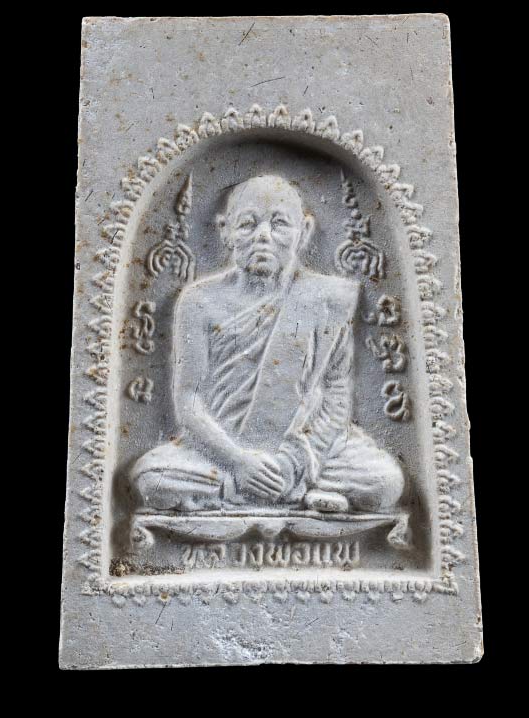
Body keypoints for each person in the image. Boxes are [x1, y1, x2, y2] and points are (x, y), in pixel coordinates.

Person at [131, 176, 404, 514]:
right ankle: (274, 489)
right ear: (225, 231)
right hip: (221, 450)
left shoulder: (327, 300)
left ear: (304, 231)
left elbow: (336, 393)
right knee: (152, 478)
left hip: (307, 451)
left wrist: (295, 462)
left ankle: (263, 487)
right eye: (248, 224)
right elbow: (188, 400)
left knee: (385, 481)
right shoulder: (199, 301)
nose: (263, 235)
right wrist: (238, 461)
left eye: (279, 224)